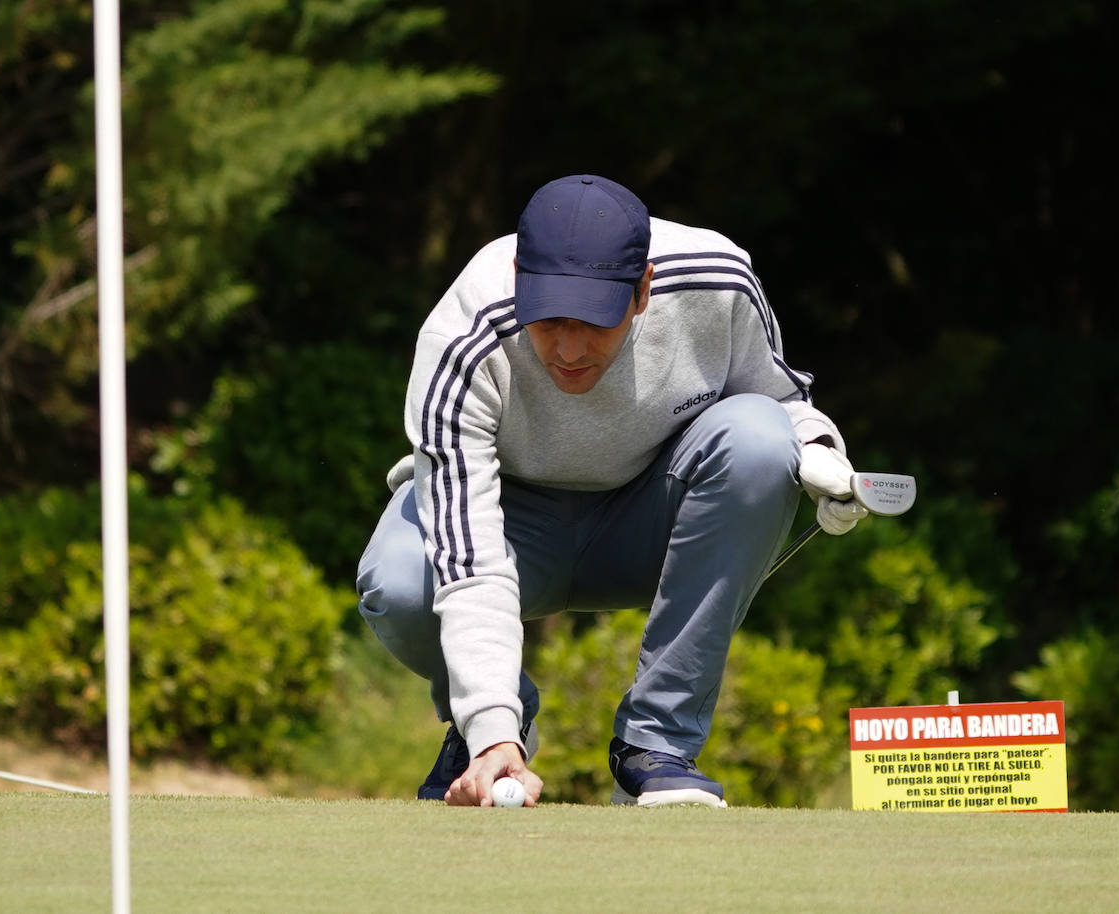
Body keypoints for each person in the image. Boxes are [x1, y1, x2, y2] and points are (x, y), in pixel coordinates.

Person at [356, 174, 866, 808]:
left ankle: (656, 746)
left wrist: (815, 452)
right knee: (399, 580)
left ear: (643, 289)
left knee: (760, 438)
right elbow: (468, 557)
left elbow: (779, 398)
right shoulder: (461, 337)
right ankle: (493, 727)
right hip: (510, 527)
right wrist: (492, 726)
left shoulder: (718, 279)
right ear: (519, 278)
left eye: (593, 321)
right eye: (548, 320)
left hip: (647, 518)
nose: (569, 349)